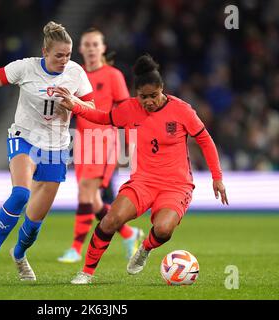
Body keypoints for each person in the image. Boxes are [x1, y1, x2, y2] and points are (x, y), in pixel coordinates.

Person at [54, 54, 229, 284]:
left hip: (176, 185)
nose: (148, 101)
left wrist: (217, 178)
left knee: (164, 229)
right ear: (137, 94)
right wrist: (75, 106)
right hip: (142, 182)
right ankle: (86, 272)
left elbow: (206, 141)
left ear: (162, 89)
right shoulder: (130, 109)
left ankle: (144, 249)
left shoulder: (182, 110)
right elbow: (103, 117)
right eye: (143, 97)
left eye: (153, 96)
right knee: (110, 220)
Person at [0, 21, 95, 281]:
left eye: (68, 55)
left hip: (56, 147)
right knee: (20, 193)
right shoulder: (24, 68)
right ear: (45, 52)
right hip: (24, 137)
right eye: (59, 55)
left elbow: (91, 105)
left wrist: (73, 103)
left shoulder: (76, 73)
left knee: (33, 222)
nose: (64, 60)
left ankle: (18, 254)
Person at [58, 28, 143, 264]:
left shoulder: (113, 75)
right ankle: (129, 233)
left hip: (104, 140)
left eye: (96, 44)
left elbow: (127, 111)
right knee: (92, 198)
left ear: (103, 48)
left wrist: (132, 145)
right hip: (82, 141)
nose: (92, 48)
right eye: (88, 44)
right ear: (81, 49)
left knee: (86, 191)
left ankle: (75, 248)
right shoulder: (74, 75)